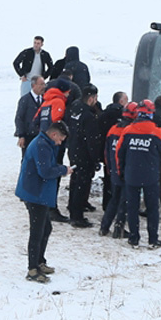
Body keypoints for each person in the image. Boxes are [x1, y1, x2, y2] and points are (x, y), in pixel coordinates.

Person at [15, 121, 69, 283]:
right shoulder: (42, 146)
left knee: (46, 228)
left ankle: (39, 261)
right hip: (35, 194)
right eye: (60, 139)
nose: (60, 143)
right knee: (37, 231)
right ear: (53, 135)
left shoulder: (44, 143)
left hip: (38, 193)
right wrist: (63, 170)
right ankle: (32, 269)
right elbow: (45, 171)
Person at [117, 100, 161, 248]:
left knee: (132, 208)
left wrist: (121, 172)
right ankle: (153, 239)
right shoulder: (156, 131)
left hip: (131, 174)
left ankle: (134, 238)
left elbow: (120, 153)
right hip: (150, 176)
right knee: (152, 209)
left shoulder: (128, 130)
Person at [34, 79, 75, 222]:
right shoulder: (58, 101)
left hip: (44, 142)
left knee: (44, 174)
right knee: (53, 174)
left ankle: (44, 205)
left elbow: (35, 120)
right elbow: (58, 123)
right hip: (54, 144)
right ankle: (51, 208)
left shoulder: (45, 102)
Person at [65, 85, 102, 227]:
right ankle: (77, 216)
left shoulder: (75, 108)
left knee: (75, 181)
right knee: (82, 184)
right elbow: (92, 140)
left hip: (74, 150)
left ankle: (72, 207)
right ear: (92, 98)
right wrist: (95, 159)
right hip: (84, 154)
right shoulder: (89, 116)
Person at [99, 104, 135, 238]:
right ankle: (119, 228)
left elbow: (107, 151)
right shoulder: (130, 131)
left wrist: (110, 167)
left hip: (113, 169)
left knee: (114, 199)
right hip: (125, 170)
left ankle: (104, 226)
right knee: (124, 200)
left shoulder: (113, 129)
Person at [97, 92, 129, 210]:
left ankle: (107, 204)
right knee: (120, 181)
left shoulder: (104, 113)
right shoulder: (121, 116)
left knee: (108, 178)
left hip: (107, 151)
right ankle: (117, 205)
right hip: (118, 151)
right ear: (121, 102)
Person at [14, 75, 46, 160]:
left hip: (43, 135)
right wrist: (21, 135)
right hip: (29, 135)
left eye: (44, 84)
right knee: (28, 159)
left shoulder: (46, 99)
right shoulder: (25, 100)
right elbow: (19, 118)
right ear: (33, 85)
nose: (43, 87)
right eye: (41, 84)